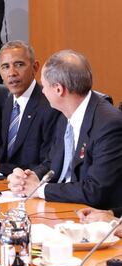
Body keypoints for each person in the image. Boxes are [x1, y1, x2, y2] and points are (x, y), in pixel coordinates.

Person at [8, 50, 122, 209]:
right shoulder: (64, 115)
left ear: (58, 89)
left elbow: (95, 191)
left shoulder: (108, 124)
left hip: (90, 214)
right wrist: (30, 177)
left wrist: (40, 190)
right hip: (59, 206)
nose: (42, 91)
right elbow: (52, 161)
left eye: (44, 85)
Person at [0, 41, 60, 176]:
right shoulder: (10, 101)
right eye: (5, 67)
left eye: (19, 64)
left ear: (35, 67)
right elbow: (7, 156)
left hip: (30, 186)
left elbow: (49, 166)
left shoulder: (50, 107)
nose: (12, 73)